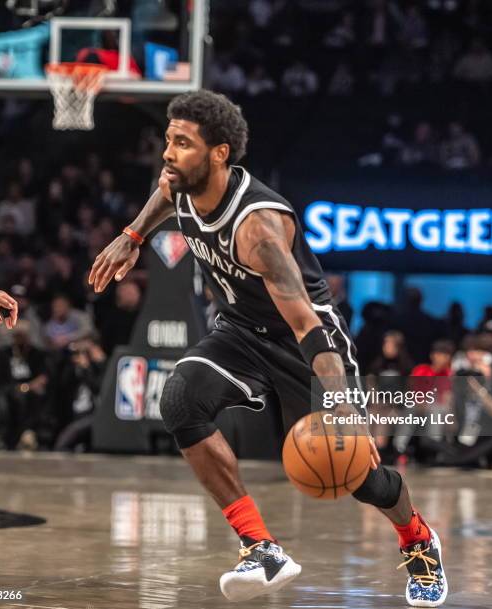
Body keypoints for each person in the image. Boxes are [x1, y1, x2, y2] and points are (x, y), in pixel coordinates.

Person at [89, 90, 448, 607]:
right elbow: (165, 193)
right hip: (238, 329)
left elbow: (306, 323)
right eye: (168, 139)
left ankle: (418, 540)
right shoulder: (181, 181)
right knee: (180, 400)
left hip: (303, 342)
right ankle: (261, 547)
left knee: (358, 478)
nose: (168, 154)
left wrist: (344, 410)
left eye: (182, 143)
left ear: (219, 155)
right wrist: (133, 234)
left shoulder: (258, 227)